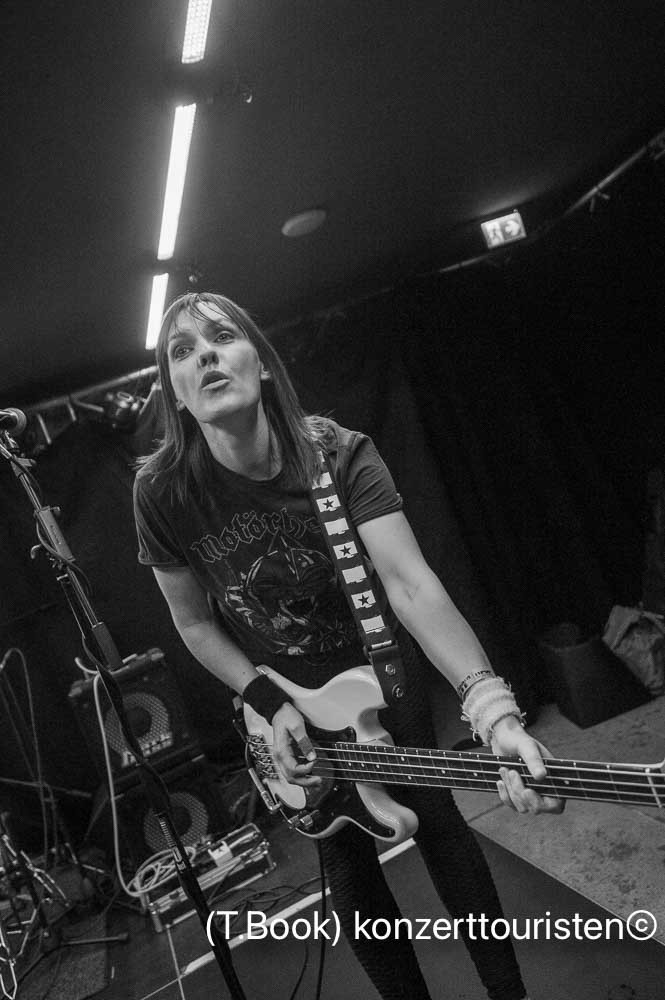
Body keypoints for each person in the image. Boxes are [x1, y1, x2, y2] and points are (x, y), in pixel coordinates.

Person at [133, 291, 562, 1000]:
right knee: (349, 866)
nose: (205, 354)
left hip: (379, 670)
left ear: (261, 364)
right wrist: (269, 702)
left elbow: (411, 586)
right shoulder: (162, 493)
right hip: (283, 700)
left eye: (222, 337)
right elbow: (195, 624)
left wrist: (495, 715)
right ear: (175, 392)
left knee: (440, 828)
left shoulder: (336, 453)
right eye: (183, 350)